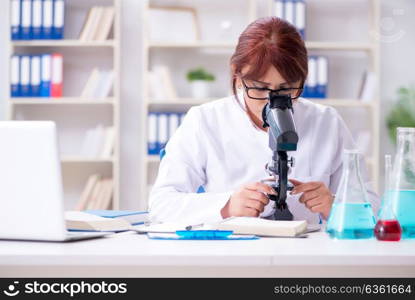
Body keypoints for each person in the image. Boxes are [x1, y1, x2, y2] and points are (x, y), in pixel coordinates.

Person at [148, 17, 379, 224]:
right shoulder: (204, 120)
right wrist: (227, 205)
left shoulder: (326, 121)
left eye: (287, 88)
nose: (274, 100)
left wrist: (337, 206)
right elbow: (161, 205)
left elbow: (373, 208)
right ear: (237, 75)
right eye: (260, 88)